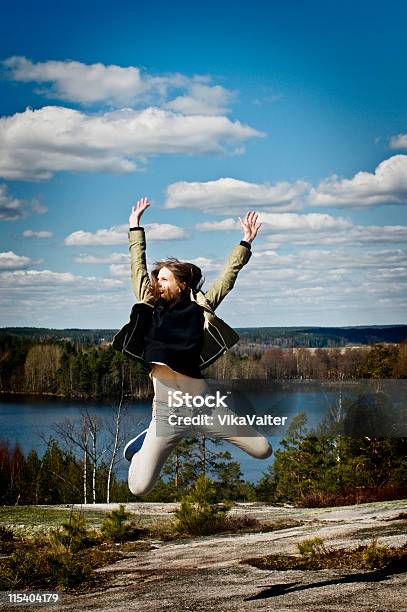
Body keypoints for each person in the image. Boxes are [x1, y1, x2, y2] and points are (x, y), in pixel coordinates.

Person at [117, 197, 272, 496]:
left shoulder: (200, 307)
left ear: (182, 284)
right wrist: (135, 228)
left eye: (164, 278)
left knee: (263, 449)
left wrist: (245, 242)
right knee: (138, 488)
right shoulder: (150, 306)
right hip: (166, 413)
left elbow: (228, 277)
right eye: (156, 278)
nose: (157, 282)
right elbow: (138, 266)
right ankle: (142, 444)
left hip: (205, 407)